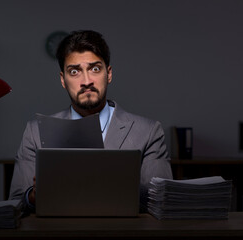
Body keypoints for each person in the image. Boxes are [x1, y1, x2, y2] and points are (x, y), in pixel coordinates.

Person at [9, 30, 173, 213]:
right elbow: (16, 202)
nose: (86, 81)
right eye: (74, 71)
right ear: (63, 80)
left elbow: (162, 201)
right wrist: (35, 195)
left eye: (95, 69)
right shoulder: (35, 132)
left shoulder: (148, 132)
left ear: (108, 74)